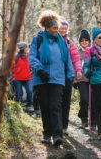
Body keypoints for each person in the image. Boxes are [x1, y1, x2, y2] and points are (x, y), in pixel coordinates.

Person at [29, 10, 74, 146]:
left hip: (58, 79)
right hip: (41, 79)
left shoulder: (62, 42)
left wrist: (69, 75)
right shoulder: (38, 39)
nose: (57, 30)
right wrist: (40, 69)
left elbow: (67, 61)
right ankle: (47, 134)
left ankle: (57, 135)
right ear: (47, 27)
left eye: (57, 28)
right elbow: (32, 57)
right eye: (54, 28)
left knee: (55, 106)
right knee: (45, 107)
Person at [58, 20, 83, 134]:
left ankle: (64, 127)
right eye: (61, 28)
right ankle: (57, 126)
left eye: (65, 28)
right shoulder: (53, 40)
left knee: (66, 102)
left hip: (68, 76)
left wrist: (78, 69)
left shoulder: (69, 42)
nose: (63, 30)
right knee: (56, 102)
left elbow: (76, 57)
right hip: (56, 76)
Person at [73, 29, 96, 128]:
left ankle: (93, 121)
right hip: (81, 79)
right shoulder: (77, 52)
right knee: (84, 99)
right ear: (79, 42)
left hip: (93, 79)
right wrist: (74, 80)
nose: (84, 42)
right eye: (82, 41)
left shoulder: (93, 51)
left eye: (86, 40)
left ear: (89, 41)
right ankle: (84, 119)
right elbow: (74, 66)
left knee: (93, 100)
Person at [11, 42, 33, 112]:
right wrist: (15, 75)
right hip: (18, 79)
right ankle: (17, 107)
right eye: (27, 47)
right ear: (23, 49)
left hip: (28, 78)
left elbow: (31, 66)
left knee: (30, 91)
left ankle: (28, 106)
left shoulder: (29, 56)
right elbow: (12, 67)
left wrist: (30, 72)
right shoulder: (16, 57)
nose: (28, 48)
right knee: (19, 93)